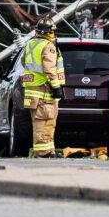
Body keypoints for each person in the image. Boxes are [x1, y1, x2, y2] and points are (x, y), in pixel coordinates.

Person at [22, 18, 65, 158]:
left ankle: (49, 150)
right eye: (52, 32)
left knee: (47, 122)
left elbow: (23, 62)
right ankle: (43, 152)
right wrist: (56, 86)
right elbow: (49, 69)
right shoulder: (48, 46)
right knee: (44, 122)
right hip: (44, 90)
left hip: (33, 91)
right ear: (49, 32)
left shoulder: (31, 44)